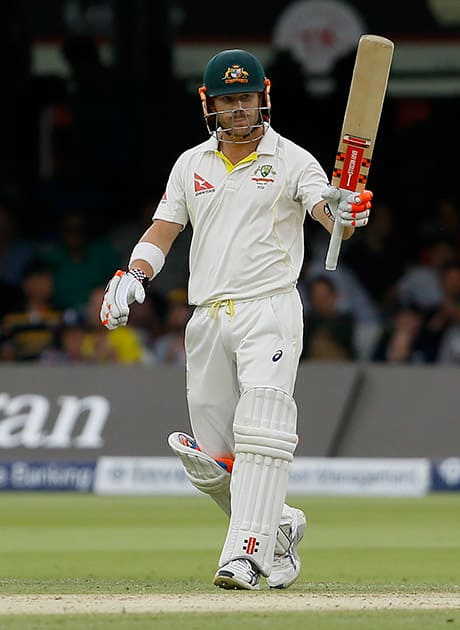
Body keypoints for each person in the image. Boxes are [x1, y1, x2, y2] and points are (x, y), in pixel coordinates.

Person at [100, 49, 373, 590]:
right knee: (212, 458)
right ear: (210, 105)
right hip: (206, 318)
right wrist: (133, 274)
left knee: (262, 432)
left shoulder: (294, 160)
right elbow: (163, 230)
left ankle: (246, 557)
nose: (240, 109)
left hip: (269, 307)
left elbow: (325, 208)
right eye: (228, 101)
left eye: (246, 98)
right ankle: (280, 525)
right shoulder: (190, 165)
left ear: (263, 97)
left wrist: (343, 214)